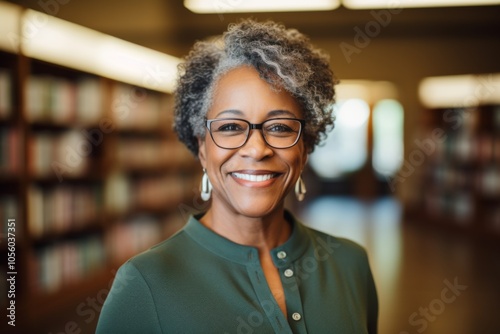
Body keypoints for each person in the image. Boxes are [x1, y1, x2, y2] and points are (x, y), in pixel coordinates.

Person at [96, 19, 378, 333]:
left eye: (280, 127)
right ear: (202, 148)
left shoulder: (351, 264)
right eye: (230, 127)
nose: (256, 150)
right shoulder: (143, 284)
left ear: (305, 148)